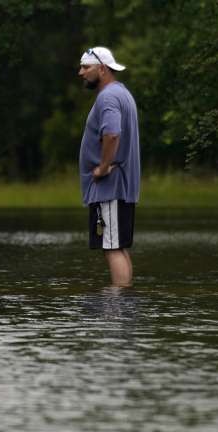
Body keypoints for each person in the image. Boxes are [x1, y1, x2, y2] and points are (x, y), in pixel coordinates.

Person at [78, 46, 140, 287]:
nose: (80, 72)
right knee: (117, 246)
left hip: (110, 186)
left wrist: (103, 168)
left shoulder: (108, 97)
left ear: (102, 69)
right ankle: (123, 303)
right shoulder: (120, 93)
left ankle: (116, 306)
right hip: (118, 186)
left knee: (112, 247)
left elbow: (112, 134)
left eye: (86, 67)